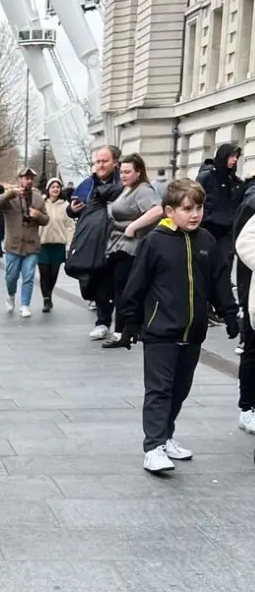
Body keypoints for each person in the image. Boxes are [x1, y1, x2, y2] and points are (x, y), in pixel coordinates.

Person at [118, 178, 239, 473]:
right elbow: (136, 285)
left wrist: (231, 314)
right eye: (187, 208)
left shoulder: (207, 242)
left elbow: (220, 283)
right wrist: (130, 323)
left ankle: (166, 436)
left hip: (193, 332)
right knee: (159, 390)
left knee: (180, 390)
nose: (195, 214)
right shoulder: (155, 242)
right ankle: (153, 446)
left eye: (199, 207)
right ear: (170, 211)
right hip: (160, 331)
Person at [100, 153, 163, 347]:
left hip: (130, 247)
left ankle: (123, 332)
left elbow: (157, 210)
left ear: (139, 172)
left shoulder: (143, 190)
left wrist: (133, 226)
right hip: (118, 245)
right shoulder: (127, 189)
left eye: (128, 172)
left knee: (124, 289)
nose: (123, 175)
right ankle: (122, 329)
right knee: (118, 288)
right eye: (121, 171)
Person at [67, 145, 124, 338]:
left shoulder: (123, 181)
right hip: (95, 241)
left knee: (120, 282)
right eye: (97, 161)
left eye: (104, 161)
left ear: (115, 162)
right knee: (99, 281)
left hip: (120, 239)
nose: (100, 165)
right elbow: (71, 208)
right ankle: (102, 322)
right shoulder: (88, 184)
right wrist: (73, 209)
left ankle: (122, 326)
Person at [0, 167, 49, 317]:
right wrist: (9, 194)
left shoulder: (38, 198)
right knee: (12, 276)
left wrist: (38, 215)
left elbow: (46, 219)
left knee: (28, 276)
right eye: (26, 178)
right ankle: (11, 295)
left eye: (31, 178)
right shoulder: (10, 197)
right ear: (20, 179)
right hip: (13, 245)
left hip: (32, 245)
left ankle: (25, 305)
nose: (29, 180)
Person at [198, 144, 244, 295]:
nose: (234, 160)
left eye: (236, 157)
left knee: (224, 268)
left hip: (226, 232)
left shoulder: (235, 181)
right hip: (207, 228)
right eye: (231, 156)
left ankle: (221, 306)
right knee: (205, 268)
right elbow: (194, 198)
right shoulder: (207, 177)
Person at [233, 191, 255, 435]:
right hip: (252, 291)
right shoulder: (252, 202)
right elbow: (242, 243)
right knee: (252, 349)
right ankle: (248, 407)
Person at [38, 176, 72, 312]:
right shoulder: (41, 203)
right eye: (53, 187)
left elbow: (70, 225)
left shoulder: (65, 205)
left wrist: (70, 241)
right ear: (48, 189)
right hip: (43, 243)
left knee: (53, 274)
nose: (55, 189)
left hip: (58, 244)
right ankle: (46, 299)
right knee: (44, 273)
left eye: (58, 187)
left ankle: (49, 293)